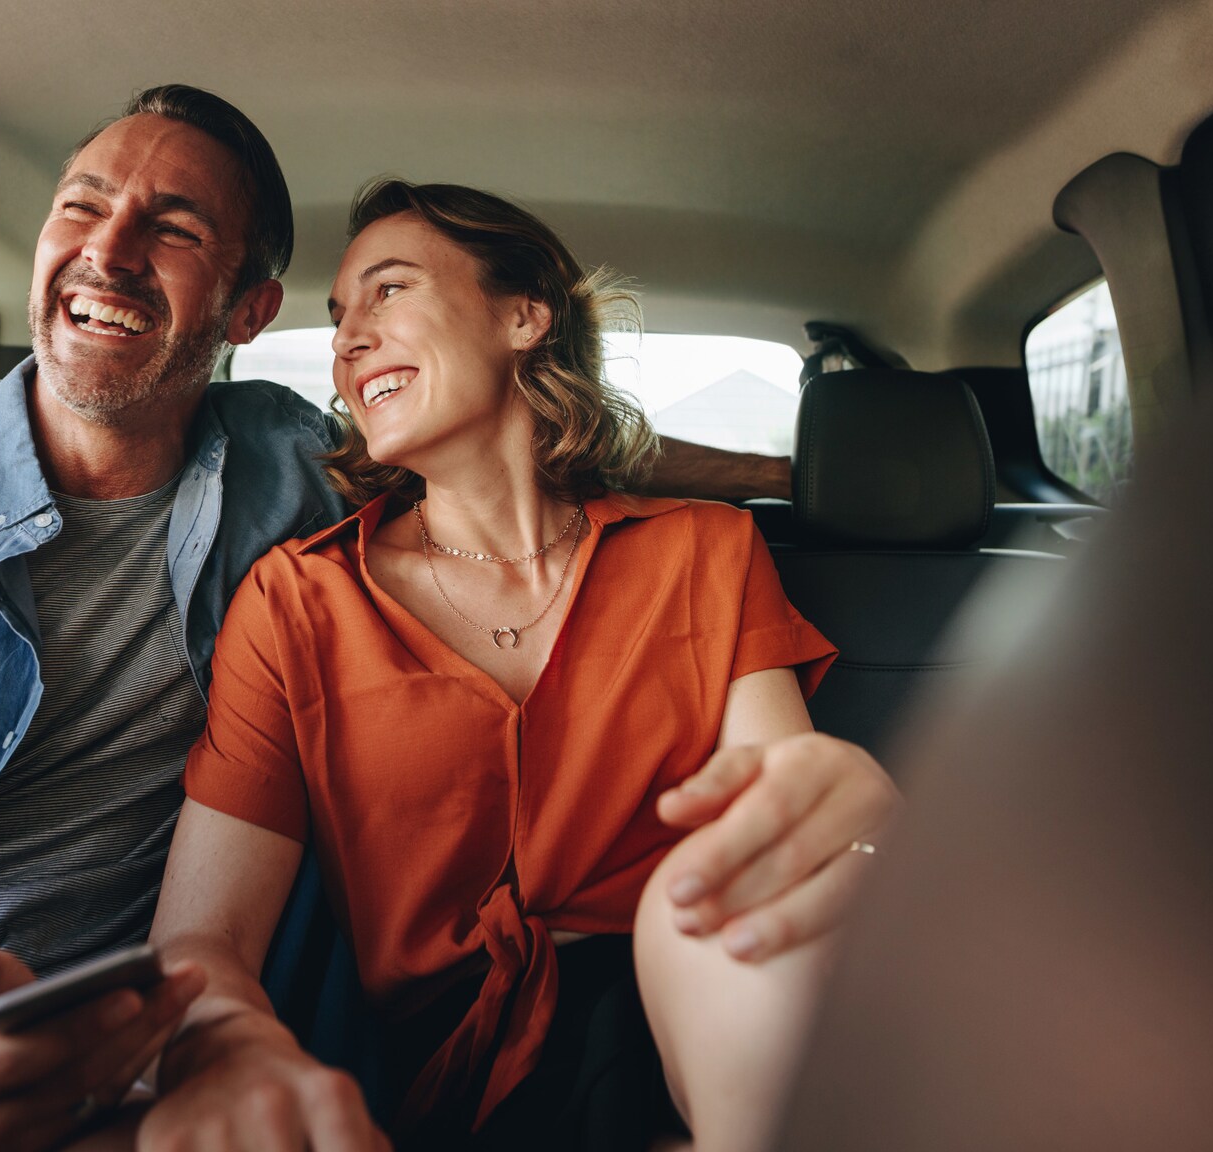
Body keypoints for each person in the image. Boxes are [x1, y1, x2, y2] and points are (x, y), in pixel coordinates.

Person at [0, 87, 892, 1152]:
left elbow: (529, 461)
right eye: (80, 204)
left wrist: (820, 472)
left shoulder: (289, 468)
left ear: (241, 311)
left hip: (94, 1058)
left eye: (171, 226)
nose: (107, 246)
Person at [114, 181, 895, 1152]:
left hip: (694, 1020)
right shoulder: (296, 601)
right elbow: (205, 940)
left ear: (523, 316)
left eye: (386, 291)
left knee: (712, 899)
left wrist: (857, 833)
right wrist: (224, 1051)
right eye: (337, 316)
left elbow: (775, 827)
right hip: (428, 1084)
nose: (347, 340)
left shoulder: (705, 550)